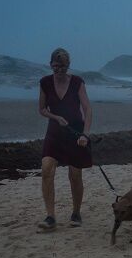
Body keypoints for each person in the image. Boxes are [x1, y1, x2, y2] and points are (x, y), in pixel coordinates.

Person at [37, 48, 93, 230]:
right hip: (54, 132)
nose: (59, 70)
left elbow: (87, 109)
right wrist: (56, 117)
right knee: (46, 170)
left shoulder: (77, 82)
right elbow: (42, 109)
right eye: (55, 66)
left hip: (75, 133)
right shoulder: (45, 83)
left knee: (75, 175)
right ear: (50, 65)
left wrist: (85, 133)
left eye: (63, 66)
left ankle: (76, 213)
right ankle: (50, 216)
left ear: (68, 65)